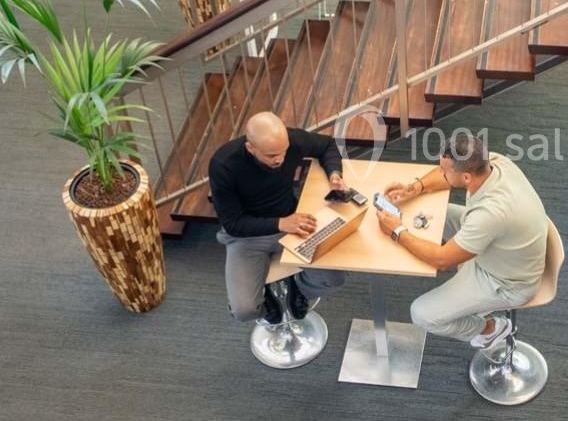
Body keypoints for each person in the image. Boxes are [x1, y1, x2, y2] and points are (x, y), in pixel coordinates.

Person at [375, 131, 548, 350]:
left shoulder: (490, 214)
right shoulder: (493, 162)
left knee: (421, 314)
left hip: (505, 282)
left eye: (443, 171)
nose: (440, 173)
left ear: (466, 177)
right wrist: (414, 188)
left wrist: (396, 231)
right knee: (430, 212)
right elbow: (445, 178)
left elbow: (442, 260)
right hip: (504, 247)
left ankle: (490, 329)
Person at [209, 112, 347, 327]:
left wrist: (334, 174)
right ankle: (263, 300)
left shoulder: (290, 141)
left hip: (291, 222)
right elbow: (233, 224)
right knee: (244, 310)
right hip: (247, 235)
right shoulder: (223, 164)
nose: (280, 159)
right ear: (250, 148)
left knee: (334, 279)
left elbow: (327, 145)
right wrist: (281, 223)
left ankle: (299, 288)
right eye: (272, 155)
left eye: (283, 152)